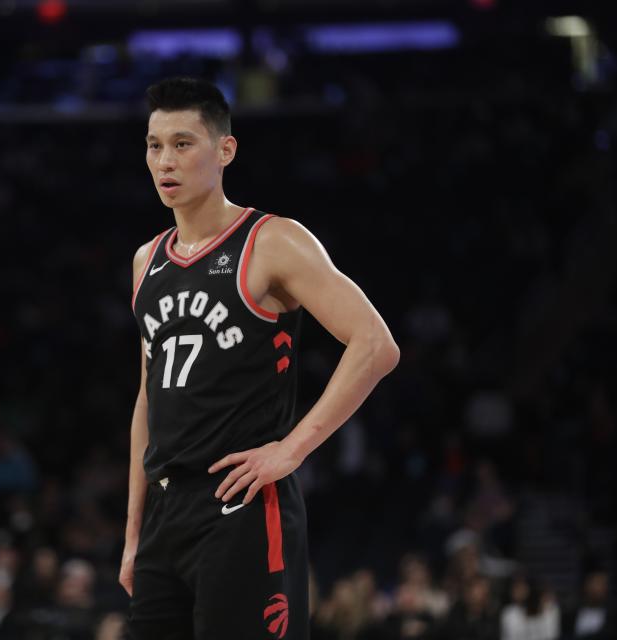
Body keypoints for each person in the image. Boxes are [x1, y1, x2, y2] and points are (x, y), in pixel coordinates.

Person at [120, 77, 400, 639]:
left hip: (241, 507)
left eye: (182, 143)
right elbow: (149, 397)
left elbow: (375, 345)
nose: (165, 161)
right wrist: (132, 535)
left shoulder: (272, 240)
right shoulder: (146, 260)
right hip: (164, 520)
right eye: (154, 146)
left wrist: (291, 450)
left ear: (225, 150)